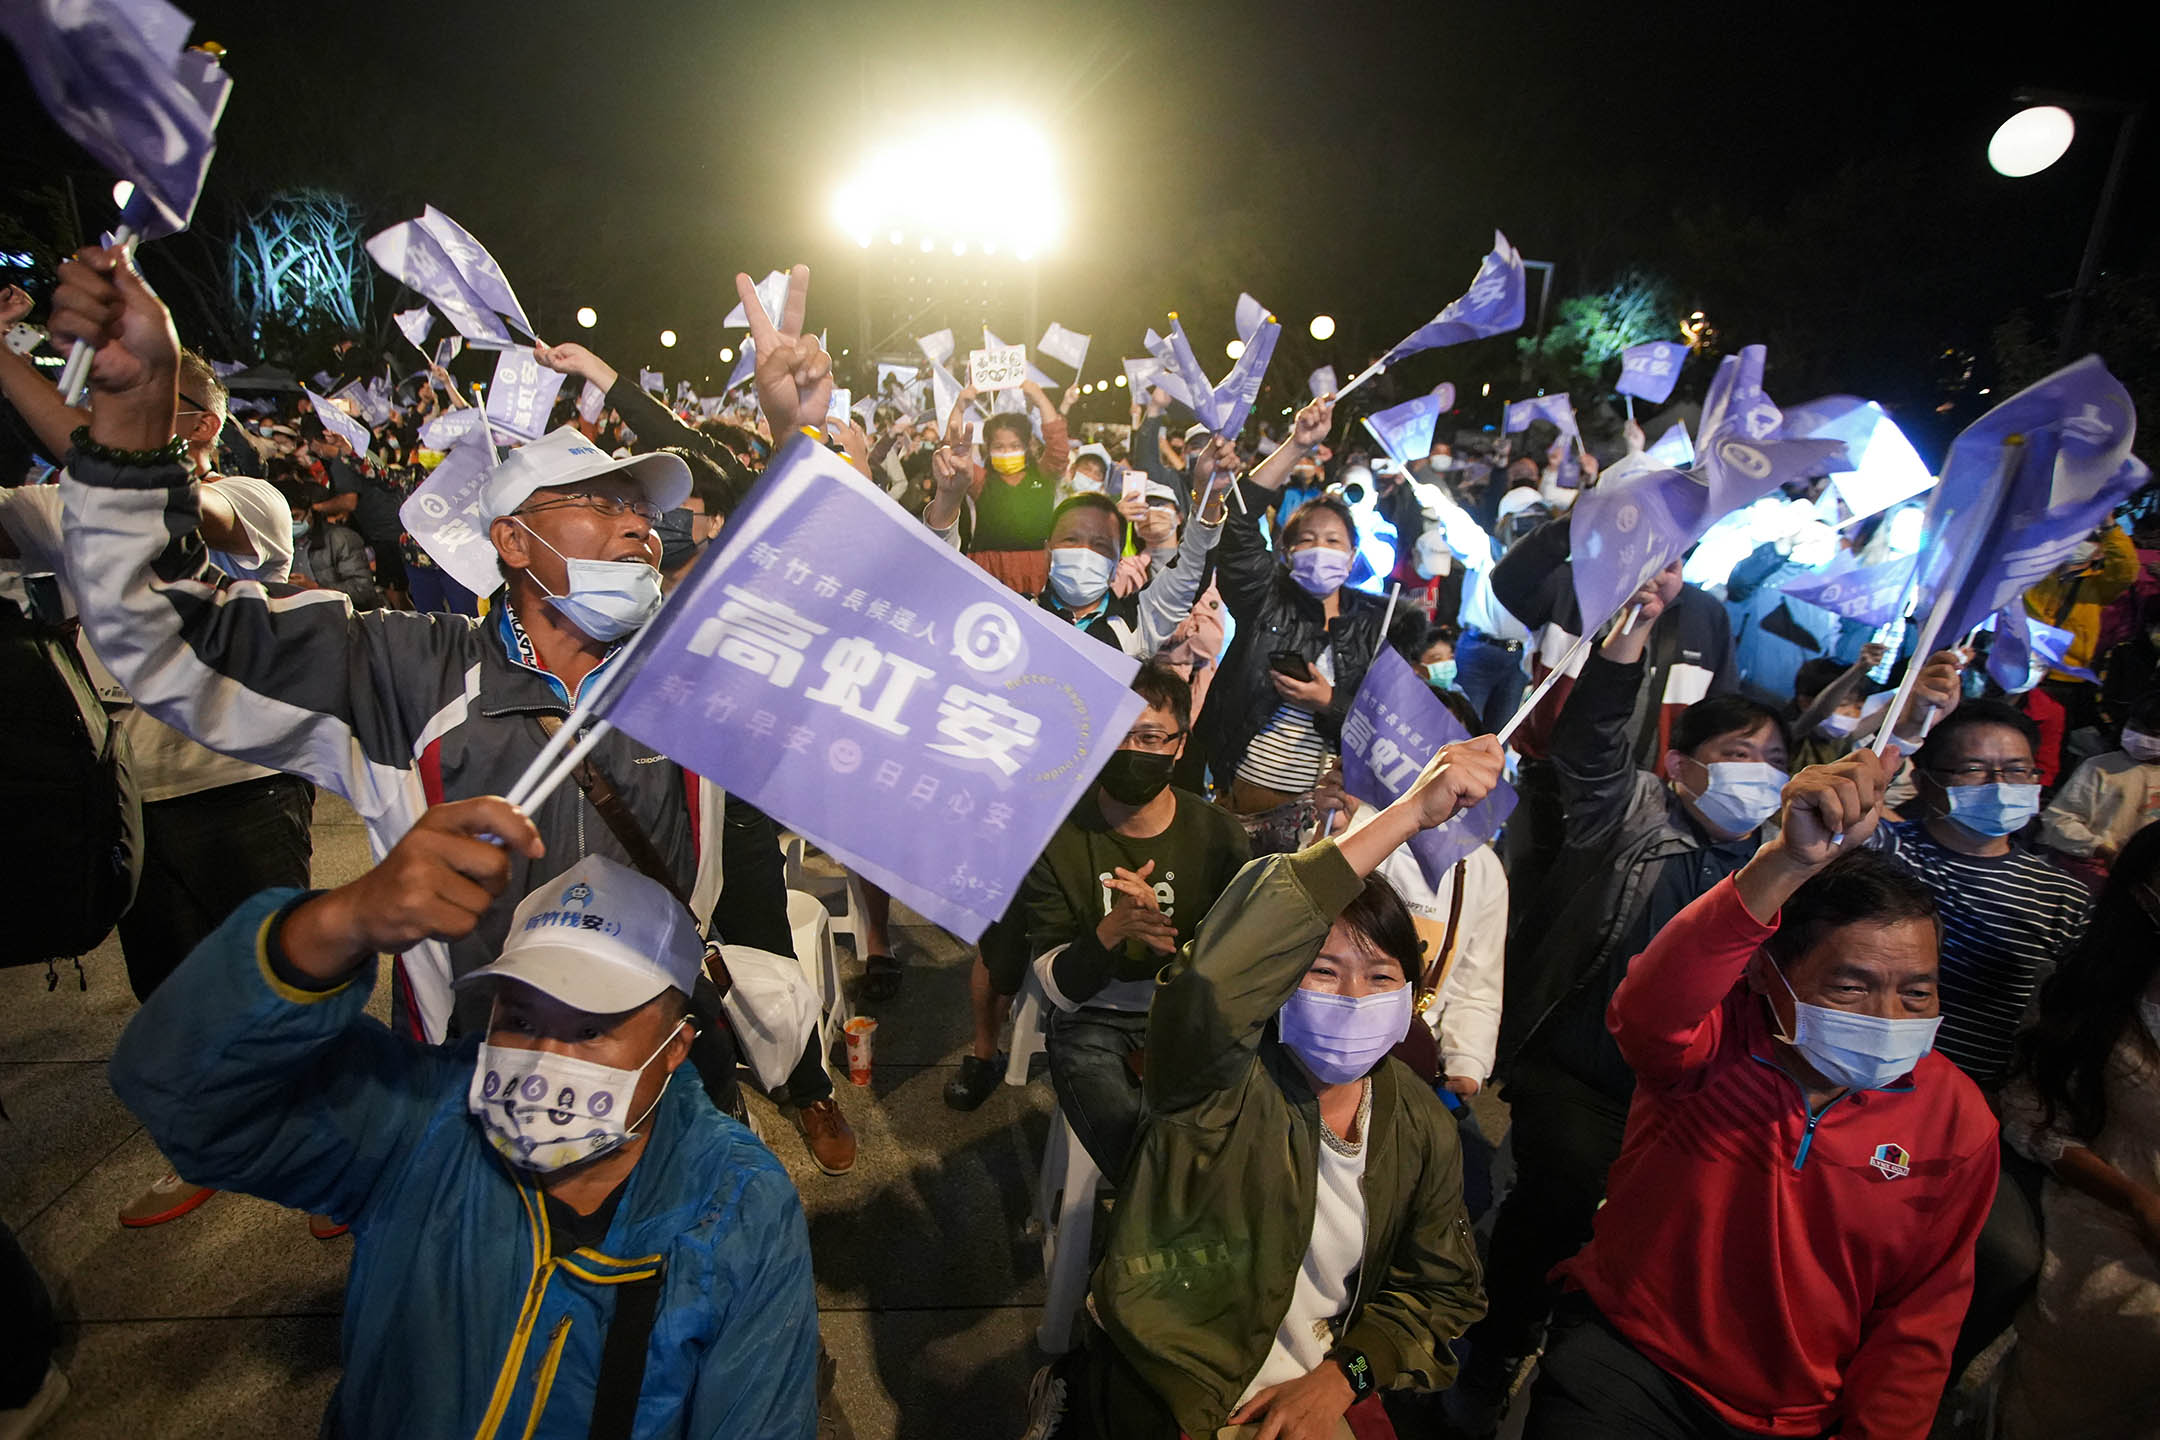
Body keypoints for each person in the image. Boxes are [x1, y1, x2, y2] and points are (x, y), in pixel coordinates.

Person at [48, 246, 857, 1176]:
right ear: (511, 542)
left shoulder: (693, 665)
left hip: (672, 1090)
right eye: (597, 504)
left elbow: (846, 616)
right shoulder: (406, 671)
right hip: (473, 1106)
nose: (637, 524)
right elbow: (164, 631)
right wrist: (135, 417)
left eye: (640, 508)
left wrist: (799, 444)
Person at [108, 799, 820, 1439]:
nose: (544, 1057)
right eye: (519, 1016)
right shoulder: (422, 1120)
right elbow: (181, 1092)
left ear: (675, 1048)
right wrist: (334, 923)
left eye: (590, 1028)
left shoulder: (738, 1203)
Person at [1029, 734, 1502, 1439]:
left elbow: (1441, 1293)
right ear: (1277, 987)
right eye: (1321, 971)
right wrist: (1407, 815)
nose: (1351, 995)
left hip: (1318, 1390)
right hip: (1176, 1380)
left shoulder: (1417, 1125)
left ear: (1412, 995)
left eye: (1379, 978)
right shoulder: (1215, 1081)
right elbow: (1218, 974)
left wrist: (1345, 1378)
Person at [1522, 751, 1999, 1440]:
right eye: (1851, 986)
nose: (1888, 1017)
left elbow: (1919, 1318)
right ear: (1765, 976)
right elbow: (1652, 1002)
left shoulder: (1956, 1123)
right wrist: (1785, 861)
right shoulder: (1709, 1047)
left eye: (1915, 992)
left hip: (1796, 1414)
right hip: (1633, 1360)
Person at [0, 341, 320, 1231]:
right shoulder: (54, 508)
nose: (116, 421)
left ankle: (335, 1149)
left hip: (242, 780)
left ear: (205, 425)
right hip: (131, 795)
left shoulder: (248, 499)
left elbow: (177, 502)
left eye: (149, 406)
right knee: (173, 991)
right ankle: (211, 1144)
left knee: (282, 980)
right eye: (109, 403)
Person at [1015, 664, 1253, 1175]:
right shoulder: (1057, 836)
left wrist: (1186, 954)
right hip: (1093, 1018)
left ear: (1180, 745)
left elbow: (1244, 955)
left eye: (1149, 737)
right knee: (1128, 1131)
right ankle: (1159, 1213)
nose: (1131, 751)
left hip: (1191, 1010)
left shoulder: (1218, 835)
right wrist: (1111, 932)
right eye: (1116, 733)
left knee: (1242, 1124)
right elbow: (1056, 988)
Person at [1996, 823, 2160, 1440]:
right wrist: (2137, 1201)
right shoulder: (2094, 998)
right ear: (2145, 897)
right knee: (2129, 1328)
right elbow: (2032, 1116)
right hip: (2116, 1200)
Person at [1202, 394, 1405, 812]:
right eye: (1307, 540)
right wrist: (1297, 444)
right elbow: (1239, 521)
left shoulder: (1376, 626)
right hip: (1242, 795)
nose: (1320, 549)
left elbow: (1387, 726)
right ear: (1288, 552)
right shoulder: (1266, 598)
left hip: (1321, 813)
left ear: (1351, 559)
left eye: (1333, 541)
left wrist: (1328, 702)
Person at [958, 379, 1070, 596]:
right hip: (987, 567)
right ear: (988, 448)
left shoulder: (1044, 475)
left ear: (1027, 446)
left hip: (1034, 568)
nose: (1007, 451)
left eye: (1015, 446)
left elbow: (1058, 446)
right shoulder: (982, 480)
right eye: (999, 446)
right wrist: (959, 408)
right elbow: (954, 455)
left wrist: (1039, 397)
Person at [2039, 688, 2160, 877]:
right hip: (2092, 869)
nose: (2141, 737)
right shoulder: (2100, 767)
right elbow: (2059, 819)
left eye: (2153, 734)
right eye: (2135, 727)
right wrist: (2101, 850)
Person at [275, 472, 381, 608]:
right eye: (284, 520)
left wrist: (315, 588)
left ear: (310, 512)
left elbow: (363, 590)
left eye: (295, 516)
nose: (290, 524)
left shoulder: (340, 539)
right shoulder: (277, 543)